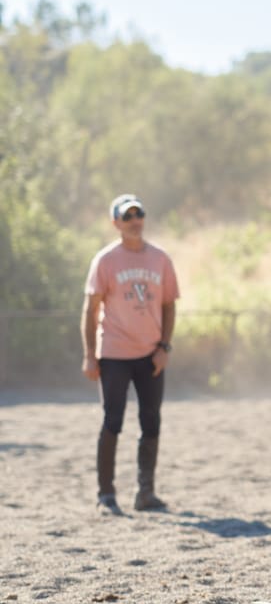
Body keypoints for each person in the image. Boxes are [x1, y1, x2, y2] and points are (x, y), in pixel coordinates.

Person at [80, 194, 180, 513]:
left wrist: (164, 347)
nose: (135, 221)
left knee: (151, 421)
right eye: (127, 217)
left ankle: (145, 492)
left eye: (139, 215)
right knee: (113, 420)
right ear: (116, 224)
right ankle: (106, 495)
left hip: (150, 355)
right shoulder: (106, 261)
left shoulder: (160, 259)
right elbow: (90, 310)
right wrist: (89, 354)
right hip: (113, 354)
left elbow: (168, 305)